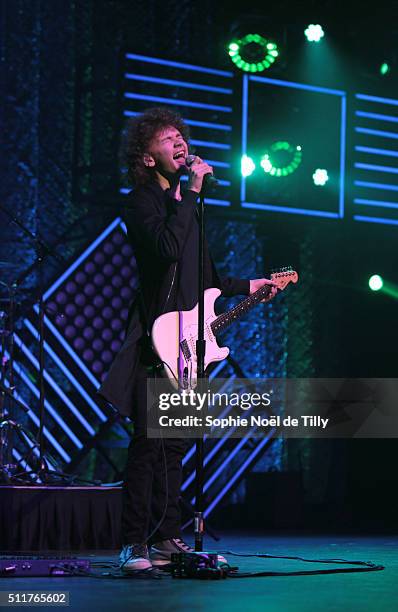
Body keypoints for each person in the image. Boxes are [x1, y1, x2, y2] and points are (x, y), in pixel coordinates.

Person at [99, 107, 275, 572]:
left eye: (182, 137)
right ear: (147, 156)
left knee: (175, 443)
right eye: (167, 139)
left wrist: (251, 286)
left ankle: (167, 538)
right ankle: (133, 543)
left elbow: (205, 277)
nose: (180, 144)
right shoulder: (142, 202)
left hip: (189, 344)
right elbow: (165, 250)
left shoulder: (186, 206)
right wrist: (192, 191)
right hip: (158, 337)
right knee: (148, 443)